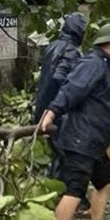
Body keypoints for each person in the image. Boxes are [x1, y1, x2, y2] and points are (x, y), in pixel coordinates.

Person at [35, 22, 110, 220]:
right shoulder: (92, 64)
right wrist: (52, 112)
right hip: (81, 139)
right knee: (74, 191)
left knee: (105, 181)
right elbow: (72, 90)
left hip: (94, 139)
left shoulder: (106, 64)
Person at [32, 11, 88, 185]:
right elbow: (59, 77)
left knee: (60, 152)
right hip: (59, 111)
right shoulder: (71, 51)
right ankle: (63, 192)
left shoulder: (53, 46)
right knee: (67, 153)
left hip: (45, 105)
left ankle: (56, 190)